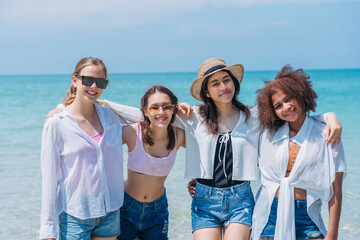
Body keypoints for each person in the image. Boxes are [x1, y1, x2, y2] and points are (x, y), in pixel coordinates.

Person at [101, 58, 342, 240]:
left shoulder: (255, 116)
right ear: (206, 91)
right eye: (214, 83)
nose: (223, 86)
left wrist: (329, 117)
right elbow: (149, 115)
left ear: (234, 83)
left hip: (241, 198)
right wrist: (99, 104)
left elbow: (292, 115)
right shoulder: (193, 116)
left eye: (226, 80)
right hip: (205, 198)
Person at [251, 65, 346, 240]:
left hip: (307, 216)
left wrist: (332, 234)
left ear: (300, 94)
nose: (286, 107)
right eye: (278, 105)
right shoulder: (268, 135)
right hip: (269, 214)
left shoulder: (327, 133)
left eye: (288, 99)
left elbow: (336, 189)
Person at [40, 57, 125, 240]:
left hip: (110, 210)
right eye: (87, 80)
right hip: (75, 215)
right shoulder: (57, 124)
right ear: (74, 80)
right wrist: (47, 229)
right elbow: (49, 179)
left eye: (100, 82)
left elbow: (147, 117)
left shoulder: (111, 118)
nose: (94, 86)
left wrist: (107, 103)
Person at [117, 85, 185, 240]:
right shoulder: (132, 132)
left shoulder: (179, 136)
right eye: (154, 108)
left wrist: (200, 179)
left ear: (174, 109)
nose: (161, 112)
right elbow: (97, 140)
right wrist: (63, 110)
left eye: (166, 107)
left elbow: (207, 143)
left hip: (158, 210)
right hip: (126, 207)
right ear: (145, 111)